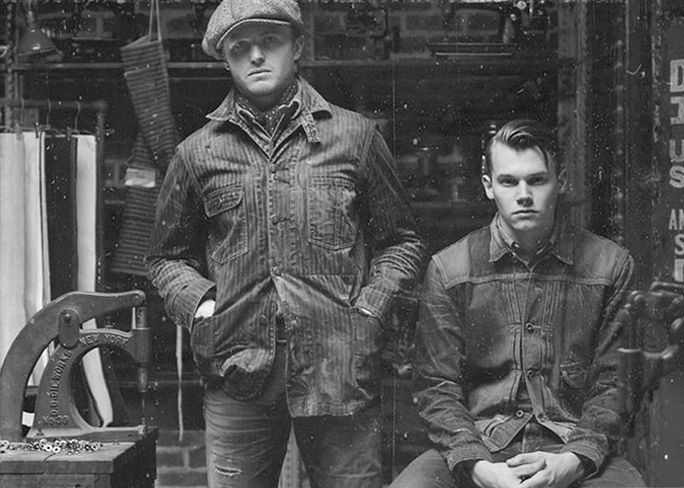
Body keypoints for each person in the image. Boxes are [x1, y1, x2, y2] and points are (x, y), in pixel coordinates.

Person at [145, 1, 426, 487]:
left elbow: (401, 242)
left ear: (296, 47)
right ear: (225, 59)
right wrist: (203, 306)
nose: (256, 55)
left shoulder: (354, 137)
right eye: (240, 47)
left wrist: (370, 310)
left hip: (340, 369)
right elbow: (166, 258)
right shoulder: (197, 153)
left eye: (269, 42)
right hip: (238, 370)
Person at [390, 119, 645, 488]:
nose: (523, 195)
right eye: (509, 182)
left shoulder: (610, 265)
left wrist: (572, 461)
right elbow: (436, 386)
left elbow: (616, 384)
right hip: (479, 443)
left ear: (561, 181)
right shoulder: (449, 269)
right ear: (488, 186)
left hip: (572, 442)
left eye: (537, 180)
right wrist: (478, 467)